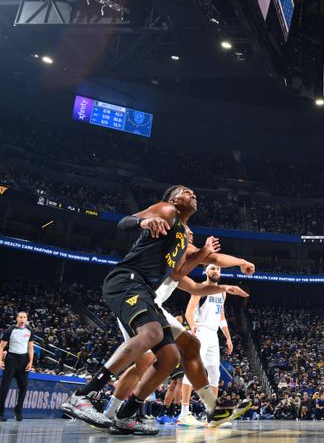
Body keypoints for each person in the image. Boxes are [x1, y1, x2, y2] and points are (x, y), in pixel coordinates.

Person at [61, 185, 249, 435]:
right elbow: (125, 222)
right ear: (173, 199)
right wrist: (145, 222)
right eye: (186, 192)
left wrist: (240, 263)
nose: (193, 195)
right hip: (127, 281)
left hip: (147, 298)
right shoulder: (166, 210)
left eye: (194, 193)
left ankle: (126, 415)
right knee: (150, 342)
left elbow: (197, 268)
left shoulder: (180, 243)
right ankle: (84, 394)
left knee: (172, 356)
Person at [180, 264, 234, 423]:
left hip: (213, 335)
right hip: (200, 331)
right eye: (212, 268)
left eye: (218, 269)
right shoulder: (200, 288)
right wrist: (192, 325)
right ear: (205, 271)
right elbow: (188, 311)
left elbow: (221, 316)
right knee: (193, 369)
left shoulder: (222, 292)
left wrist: (228, 337)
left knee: (215, 373)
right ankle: (184, 413)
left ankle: (211, 413)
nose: (216, 271)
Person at [0, 311, 35, 421]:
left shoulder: (29, 331)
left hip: (23, 361)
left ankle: (18, 409)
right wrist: (0, 360)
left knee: (24, 387)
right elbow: (1, 347)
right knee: (4, 387)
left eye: (24, 317)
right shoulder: (10, 330)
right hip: (11, 360)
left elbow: (30, 347)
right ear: (17, 318)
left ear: (26, 319)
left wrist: (30, 362)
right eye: (20, 317)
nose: (22, 319)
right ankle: (0, 412)